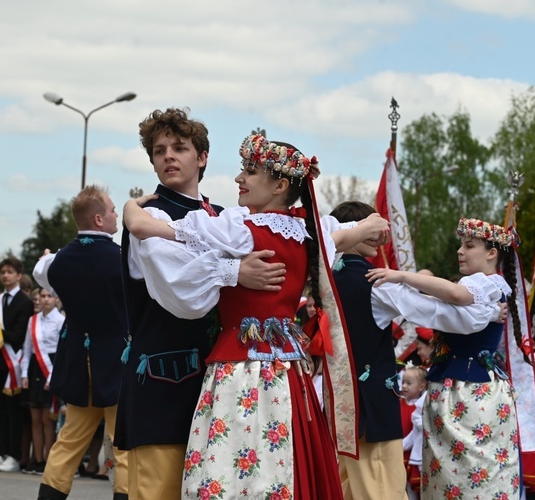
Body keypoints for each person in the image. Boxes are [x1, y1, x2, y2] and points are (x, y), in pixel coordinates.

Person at [124, 133, 391, 498]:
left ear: (280, 184)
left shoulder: (240, 229)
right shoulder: (306, 230)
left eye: (250, 171)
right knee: (283, 452)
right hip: (287, 369)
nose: (239, 179)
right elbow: (342, 235)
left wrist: (129, 208)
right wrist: (368, 227)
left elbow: (143, 228)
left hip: (240, 362)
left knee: (234, 454)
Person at [115, 109, 301, 498]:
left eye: (179, 147)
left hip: (217, 384)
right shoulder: (153, 214)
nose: (168, 156)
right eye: (159, 150)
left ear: (201, 157)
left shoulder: (220, 216)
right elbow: (180, 291)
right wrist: (234, 272)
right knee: (159, 491)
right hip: (164, 379)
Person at [367, 217, 526, 498]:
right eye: (460, 245)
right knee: (454, 470)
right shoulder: (485, 289)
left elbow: (455, 295)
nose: (460, 251)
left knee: (475, 467)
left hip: (470, 391)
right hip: (457, 388)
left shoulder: (486, 284)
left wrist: (402, 275)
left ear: (492, 253)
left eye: (469, 245)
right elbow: (446, 304)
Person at [34, 185, 129, 500]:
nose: (118, 215)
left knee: (69, 439)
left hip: (77, 355)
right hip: (116, 358)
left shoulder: (58, 261)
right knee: (121, 440)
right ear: (100, 219)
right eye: (113, 210)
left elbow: (40, 273)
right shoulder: (122, 258)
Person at [329, 201, 409, 500]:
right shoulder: (375, 281)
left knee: (348, 485)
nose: (379, 237)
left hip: (341, 400)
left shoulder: (327, 278)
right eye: (371, 229)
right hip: (374, 404)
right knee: (382, 486)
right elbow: (429, 310)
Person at [0, 257, 33, 472]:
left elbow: (18, 335)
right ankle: (1, 452)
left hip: (13, 364)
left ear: (19, 276)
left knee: (13, 413)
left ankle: (14, 455)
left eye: (10, 272)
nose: (5, 275)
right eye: (2, 271)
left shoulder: (25, 302)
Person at [20, 287, 63, 475]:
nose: (45, 300)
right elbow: (27, 349)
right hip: (35, 369)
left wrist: (52, 377)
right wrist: (23, 375)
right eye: (42, 296)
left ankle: (48, 460)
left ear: (56, 299)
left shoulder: (61, 321)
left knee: (48, 419)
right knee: (35, 418)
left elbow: (63, 352)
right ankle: (36, 459)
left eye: (49, 296)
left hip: (52, 367)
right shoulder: (33, 320)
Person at [400, 365, 427, 500]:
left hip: (412, 452)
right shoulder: (399, 403)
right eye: (403, 382)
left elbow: (415, 434)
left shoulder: (421, 408)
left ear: (421, 387)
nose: (404, 386)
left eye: (409, 383)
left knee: (412, 487)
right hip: (400, 451)